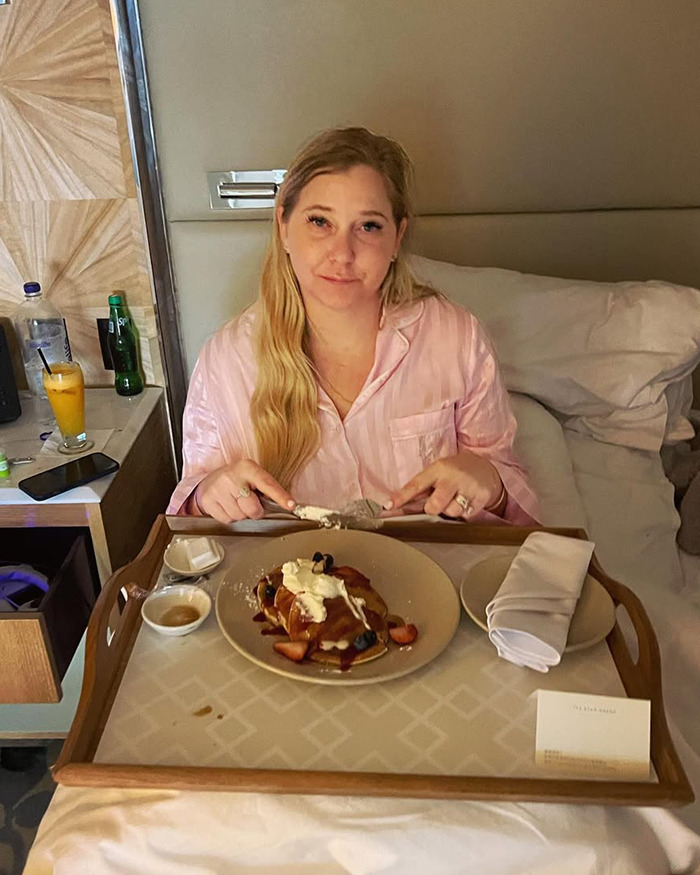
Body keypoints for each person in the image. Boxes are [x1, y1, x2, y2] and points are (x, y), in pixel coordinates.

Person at [168, 127, 538, 525]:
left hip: (425, 562)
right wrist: (206, 495)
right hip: (283, 564)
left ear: (397, 238)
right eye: (320, 221)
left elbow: (509, 492)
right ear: (283, 227)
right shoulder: (226, 361)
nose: (342, 253)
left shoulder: (456, 339)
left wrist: (490, 481)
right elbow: (191, 516)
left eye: (369, 226)